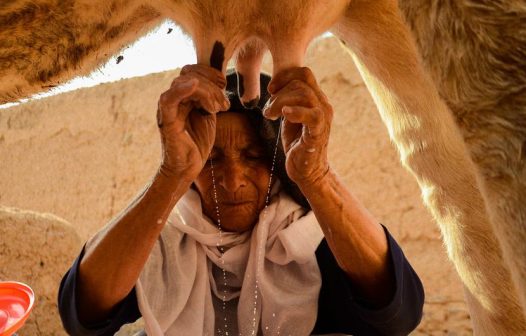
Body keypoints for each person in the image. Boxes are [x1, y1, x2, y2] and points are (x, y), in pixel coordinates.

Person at [58, 64, 424, 335]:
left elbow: (399, 312)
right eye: (211, 160)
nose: (232, 182)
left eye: (252, 157)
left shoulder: (304, 240)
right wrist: (171, 175)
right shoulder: (167, 239)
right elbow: (83, 312)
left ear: (277, 160)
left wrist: (317, 177)